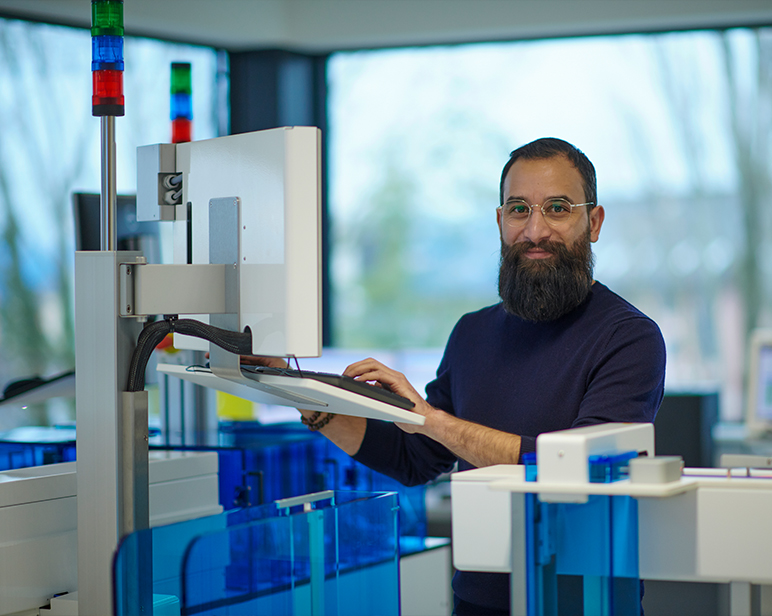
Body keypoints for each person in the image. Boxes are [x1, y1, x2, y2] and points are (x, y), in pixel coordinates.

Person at [256, 137, 666, 615]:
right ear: (499, 222)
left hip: (584, 602)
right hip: (478, 601)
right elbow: (414, 459)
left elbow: (575, 468)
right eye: (518, 210)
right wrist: (299, 391)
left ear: (592, 223)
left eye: (557, 208)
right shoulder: (471, 333)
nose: (536, 230)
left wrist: (430, 419)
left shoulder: (629, 339)